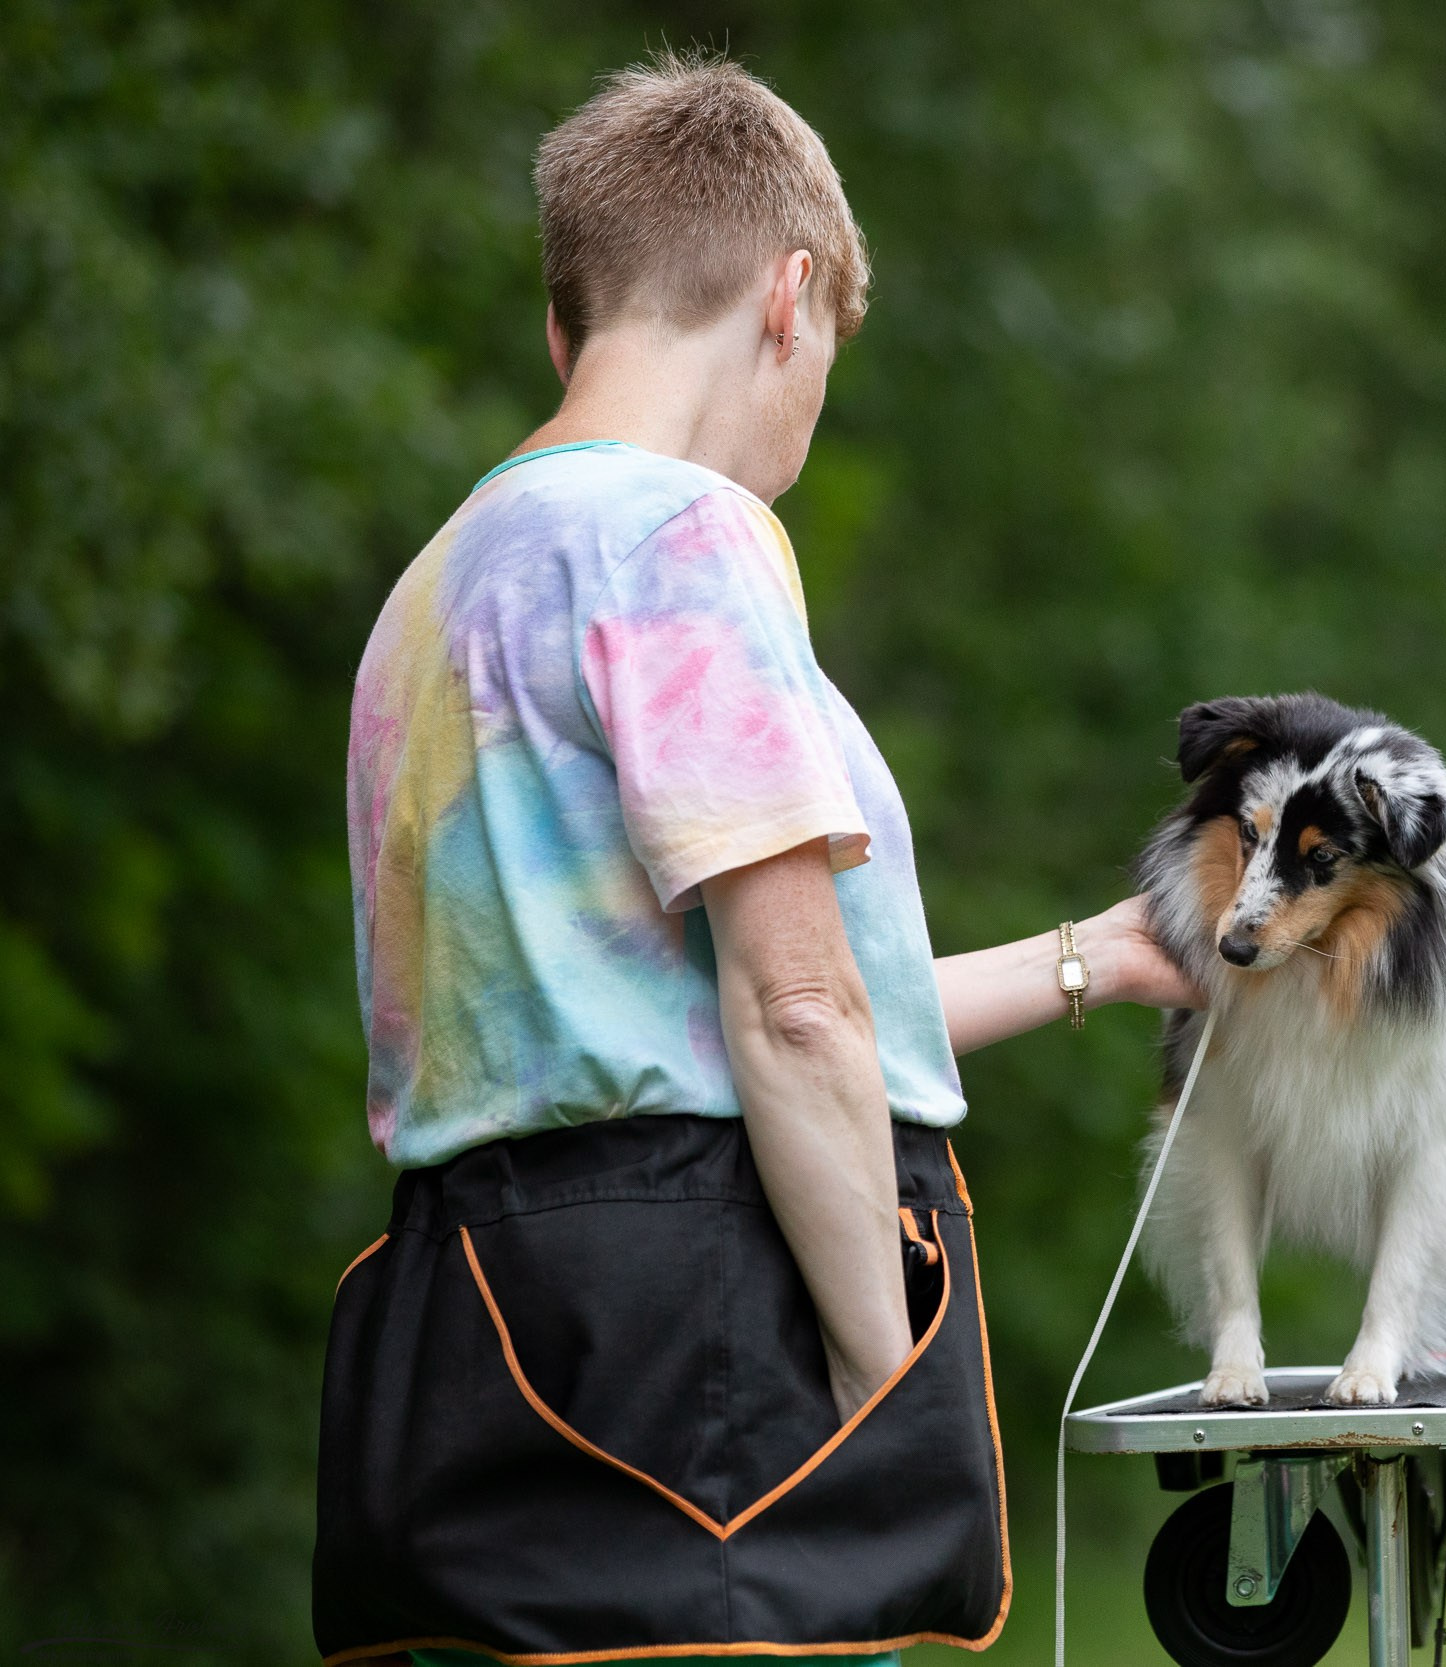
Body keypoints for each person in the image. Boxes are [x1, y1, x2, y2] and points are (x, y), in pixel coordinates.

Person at [313, 51, 1195, 1667]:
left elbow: (665, 1013)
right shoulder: (676, 534)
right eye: (828, 357)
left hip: (470, 1340)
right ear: (791, 299)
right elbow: (795, 1020)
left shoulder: (438, 588)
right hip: (699, 1348)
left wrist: (1098, 958)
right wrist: (883, 1376)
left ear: (563, 324)